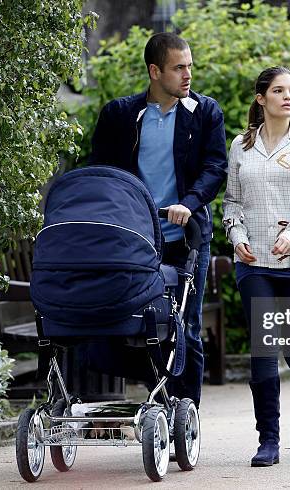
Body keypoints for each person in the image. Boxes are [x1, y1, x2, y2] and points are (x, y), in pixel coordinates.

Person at [89, 32, 227, 409]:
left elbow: (215, 167)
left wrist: (189, 203)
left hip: (188, 237)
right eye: (178, 68)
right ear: (154, 71)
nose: (187, 75)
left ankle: (186, 420)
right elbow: (102, 173)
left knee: (188, 327)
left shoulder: (205, 112)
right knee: (146, 323)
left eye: (190, 67)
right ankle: (158, 410)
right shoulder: (120, 115)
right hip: (137, 241)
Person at [222, 66, 290, 466]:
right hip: (253, 264)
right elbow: (231, 202)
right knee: (263, 348)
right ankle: (268, 440)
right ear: (261, 98)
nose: (289, 97)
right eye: (280, 91)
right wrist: (238, 238)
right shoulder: (241, 146)